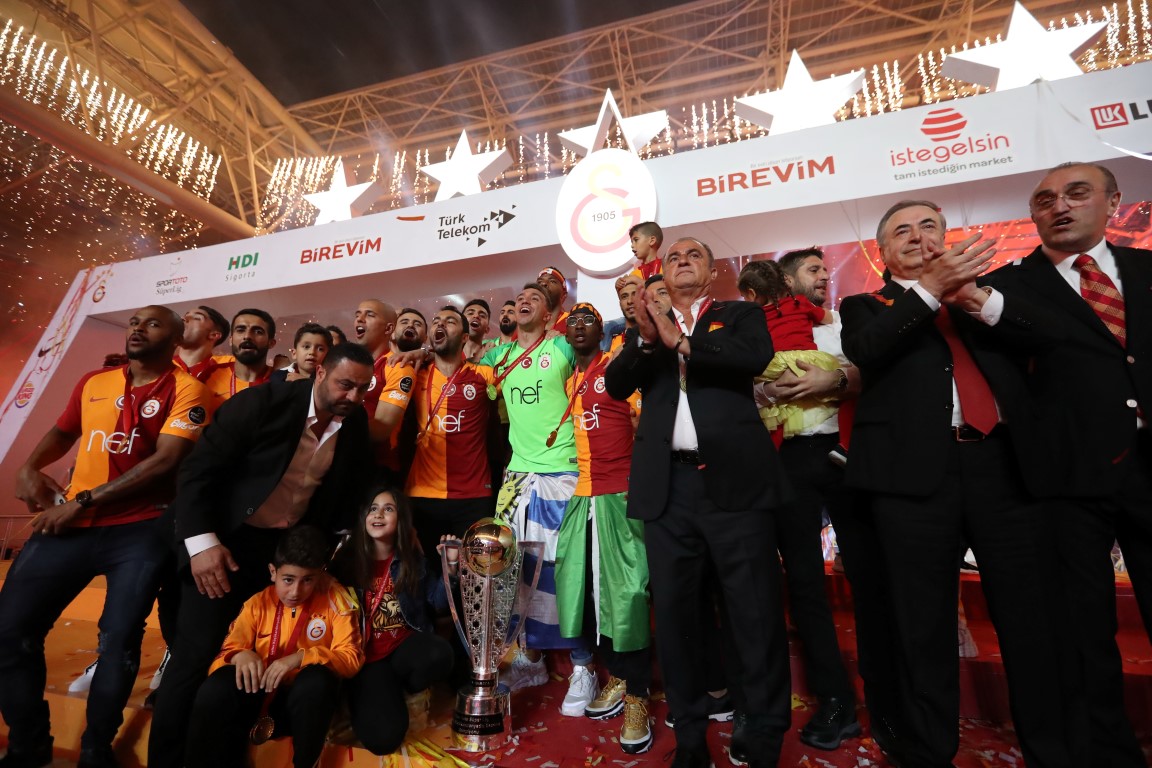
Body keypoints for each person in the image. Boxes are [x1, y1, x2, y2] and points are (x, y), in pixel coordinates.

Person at [840, 200, 1075, 768]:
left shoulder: (991, 294)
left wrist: (972, 297)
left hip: (1002, 468)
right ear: (882, 252)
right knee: (922, 624)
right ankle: (930, 750)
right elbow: (867, 350)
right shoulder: (865, 305)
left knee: (1029, 617)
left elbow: (1051, 337)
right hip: (912, 481)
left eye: (929, 226)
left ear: (947, 237)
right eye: (902, 230)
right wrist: (927, 291)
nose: (917, 236)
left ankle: (1053, 750)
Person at [983, 161, 1151, 766]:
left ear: (1113, 201)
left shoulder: (1146, 270)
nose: (1059, 206)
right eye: (1044, 199)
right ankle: (1109, 755)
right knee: (1085, 634)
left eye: (1077, 193)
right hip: (1066, 478)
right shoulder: (1002, 288)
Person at [605, 237, 791, 768]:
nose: (682, 261)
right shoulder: (644, 330)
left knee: (754, 613)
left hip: (736, 486)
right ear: (661, 274)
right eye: (674, 257)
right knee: (677, 619)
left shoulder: (737, 315)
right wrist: (648, 341)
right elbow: (616, 386)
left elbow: (755, 357)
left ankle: (763, 733)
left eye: (694, 256)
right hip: (669, 492)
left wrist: (682, 342)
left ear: (711, 273)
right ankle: (689, 737)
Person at [147, 343, 375, 768]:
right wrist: (202, 545)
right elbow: (197, 473)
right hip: (222, 542)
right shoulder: (261, 403)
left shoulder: (355, 421)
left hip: (280, 552)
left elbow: (347, 490)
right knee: (196, 656)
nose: (353, 396)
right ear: (320, 372)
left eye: (363, 388)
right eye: (345, 384)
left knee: (256, 657)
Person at [2, 305, 209, 768]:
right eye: (135, 321)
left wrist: (82, 501)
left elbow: (165, 461)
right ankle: (28, 743)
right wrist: (29, 467)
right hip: (69, 526)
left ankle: (96, 748)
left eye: (153, 323)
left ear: (176, 338)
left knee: (117, 641)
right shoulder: (94, 382)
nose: (138, 328)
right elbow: (62, 432)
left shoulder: (188, 390)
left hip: (139, 530)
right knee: (10, 631)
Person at [735, 249, 864, 751]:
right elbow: (745, 392)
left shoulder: (845, 324)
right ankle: (835, 700)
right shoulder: (760, 330)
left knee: (871, 576)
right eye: (813, 270)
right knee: (807, 585)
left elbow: (872, 376)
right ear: (786, 282)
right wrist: (768, 392)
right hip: (789, 461)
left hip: (849, 456)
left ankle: (891, 693)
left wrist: (835, 379)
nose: (824, 276)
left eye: (825, 270)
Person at [479, 283, 589, 706]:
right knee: (516, 571)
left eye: (535, 299)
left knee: (564, 572)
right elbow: (457, 366)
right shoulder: (497, 356)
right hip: (516, 479)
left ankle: (582, 666)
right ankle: (531, 658)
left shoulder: (561, 346)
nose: (524, 301)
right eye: (520, 298)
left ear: (549, 313)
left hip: (562, 473)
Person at [553, 303, 653, 753]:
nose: (579, 327)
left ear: (602, 330)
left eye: (588, 320)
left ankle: (638, 696)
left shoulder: (617, 368)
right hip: (584, 496)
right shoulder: (570, 379)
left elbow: (642, 422)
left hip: (620, 495)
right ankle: (619, 676)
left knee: (628, 595)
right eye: (572, 321)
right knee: (590, 594)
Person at [185, 525, 363, 768]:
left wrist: (301, 658)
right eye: (288, 580)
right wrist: (238, 655)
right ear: (272, 572)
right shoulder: (257, 603)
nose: (295, 591)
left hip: (303, 705)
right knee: (218, 686)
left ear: (320, 575)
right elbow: (222, 657)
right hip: (259, 696)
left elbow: (351, 660)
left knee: (317, 680)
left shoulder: (336, 600)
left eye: (307, 580)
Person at [333, 486, 455, 756]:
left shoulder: (411, 559)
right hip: (366, 660)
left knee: (440, 654)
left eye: (388, 509)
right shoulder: (346, 563)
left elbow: (438, 603)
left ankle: (404, 689)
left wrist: (450, 567)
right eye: (373, 509)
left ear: (400, 520)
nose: (379, 514)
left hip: (402, 650)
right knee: (384, 740)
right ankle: (375, 693)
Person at [405, 307, 496, 560]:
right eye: (436, 321)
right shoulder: (415, 373)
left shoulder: (483, 375)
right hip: (422, 494)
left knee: (474, 573)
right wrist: (422, 352)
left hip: (473, 496)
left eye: (450, 321)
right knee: (423, 573)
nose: (440, 324)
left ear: (465, 337)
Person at [738, 260, 838, 440]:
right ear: (787, 282)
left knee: (775, 413)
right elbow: (828, 318)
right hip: (806, 360)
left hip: (774, 364)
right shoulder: (800, 302)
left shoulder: (755, 317)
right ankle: (843, 445)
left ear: (751, 294)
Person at [355, 299, 417, 482]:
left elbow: (381, 429)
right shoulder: (352, 365)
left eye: (369, 315)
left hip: (378, 469)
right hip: (345, 460)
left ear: (389, 329)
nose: (360, 319)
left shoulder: (398, 367)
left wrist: (333, 425)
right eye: (358, 314)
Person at [203, 308, 276, 412]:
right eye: (240, 330)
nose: (247, 336)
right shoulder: (210, 376)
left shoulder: (282, 381)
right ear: (231, 340)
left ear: (271, 343)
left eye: (258, 332)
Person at [174, 305, 230, 381]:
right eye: (185, 315)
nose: (183, 318)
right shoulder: (161, 366)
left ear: (214, 335)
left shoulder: (228, 370)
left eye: (197, 318)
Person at [537, 266, 571, 332]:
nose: (543, 283)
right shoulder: (526, 325)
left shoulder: (572, 322)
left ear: (564, 294)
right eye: (539, 282)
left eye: (552, 281)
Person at [462, 299, 491, 363]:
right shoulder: (446, 356)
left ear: (487, 329)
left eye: (482, 316)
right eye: (470, 313)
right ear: (460, 323)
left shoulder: (493, 357)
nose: (476, 316)